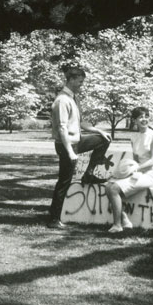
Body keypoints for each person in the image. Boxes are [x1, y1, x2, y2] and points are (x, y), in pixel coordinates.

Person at [47, 66, 112, 229]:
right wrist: (70, 152)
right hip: (66, 145)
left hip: (77, 141)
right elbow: (62, 128)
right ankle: (54, 218)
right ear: (70, 80)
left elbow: (81, 122)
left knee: (103, 140)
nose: (82, 84)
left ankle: (88, 175)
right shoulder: (62, 100)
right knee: (64, 181)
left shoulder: (74, 98)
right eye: (80, 81)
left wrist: (98, 131)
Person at [106, 106, 153, 233]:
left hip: (149, 174)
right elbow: (135, 159)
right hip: (137, 172)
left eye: (146, 116)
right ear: (134, 120)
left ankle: (117, 225)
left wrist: (136, 169)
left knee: (114, 189)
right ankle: (124, 220)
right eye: (141, 117)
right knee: (108, 185)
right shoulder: (134, 137)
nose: (144, 119)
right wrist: (123, 173)